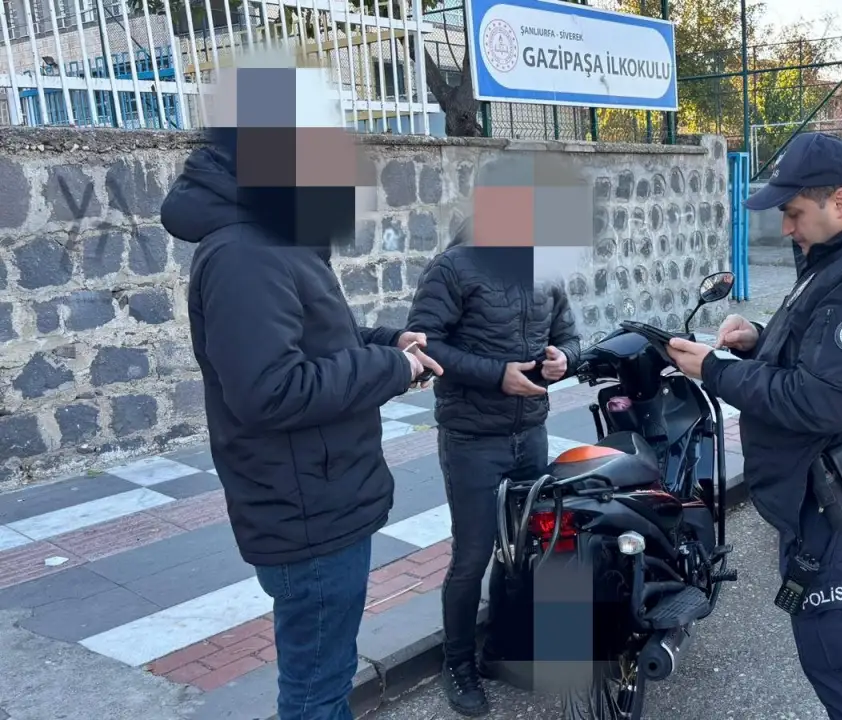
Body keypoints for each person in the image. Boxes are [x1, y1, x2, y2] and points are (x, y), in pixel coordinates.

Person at [161, 57, 442, 720]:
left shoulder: (274, 237)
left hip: (323, 498)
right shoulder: (245, 253)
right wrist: (391, 370)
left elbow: (318, 340)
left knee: (326, 674)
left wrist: (387, 343)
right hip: (308, 514)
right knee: (318, 690)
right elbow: (270, 389)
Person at [666, 132, 842, 720]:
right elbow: (828, 359)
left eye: (793, 213)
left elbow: (821, 400)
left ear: (840, 201)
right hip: (828, 498)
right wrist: (760, 340)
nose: (786, 228)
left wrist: (715, 370)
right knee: (833, 657)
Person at [406, 171, 582, 717]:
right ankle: (457, 663)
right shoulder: (454, 267)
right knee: (473, 556)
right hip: (472, 439)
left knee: (527, 550)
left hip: (530, 433)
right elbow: (424, 345)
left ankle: (501, 650)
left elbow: (569, 335)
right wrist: (495, 375)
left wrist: (566, 359)